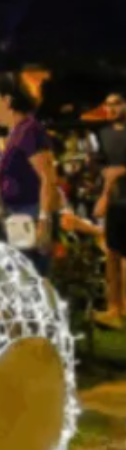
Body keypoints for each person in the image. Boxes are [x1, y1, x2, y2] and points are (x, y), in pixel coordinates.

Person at [0, 74, 59, 276]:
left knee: (31, 279)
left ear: (7, 101)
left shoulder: (28, 130)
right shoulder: (15, 133)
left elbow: (47, 178)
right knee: (20, 278)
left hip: (31, 214)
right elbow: (9, 186)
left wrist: (44, 222)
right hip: (17, 215)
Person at [94, 93, 126, 328]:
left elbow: (116, 170)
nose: (111, 108)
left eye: (116, 103)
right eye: (108, 104)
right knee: (112, 255)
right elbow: (101, 164)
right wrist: (103, 173)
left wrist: (120, 171)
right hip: (114, 202)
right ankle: (114, 309)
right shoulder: (103, 134)